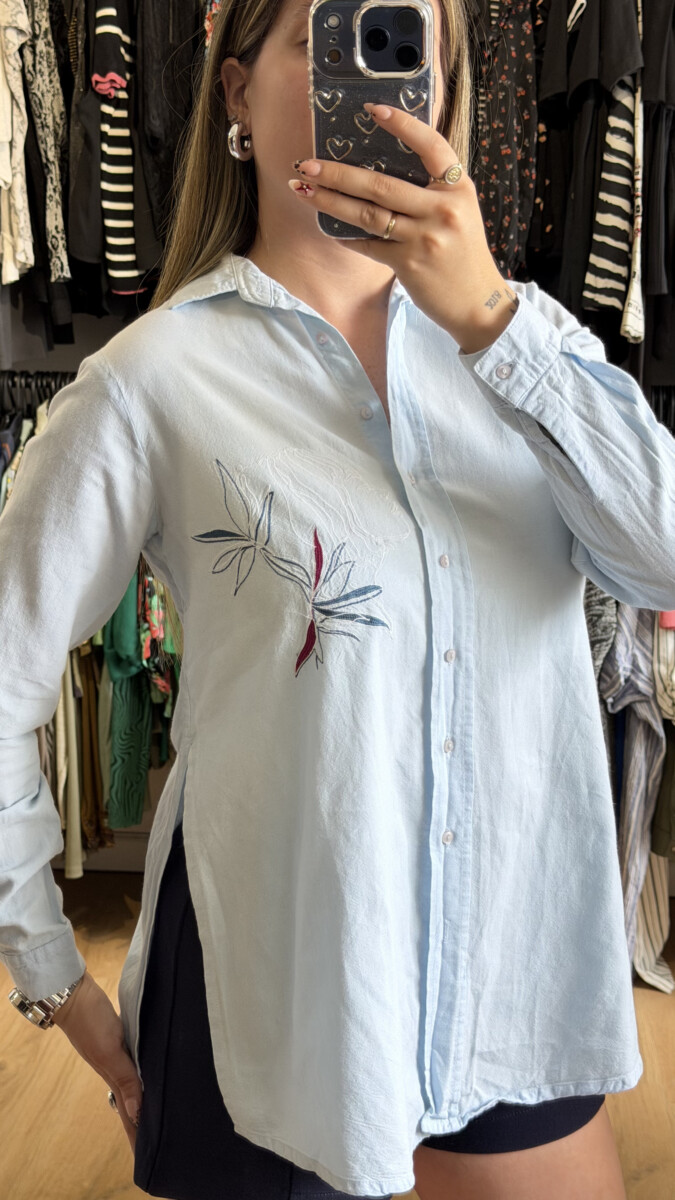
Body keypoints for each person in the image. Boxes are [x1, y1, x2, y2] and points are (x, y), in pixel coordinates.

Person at [2, 0, 674, 1197]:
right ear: (235, 93)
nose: (372, 81)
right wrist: (51, 970)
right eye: (329, 38)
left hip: (508, 964)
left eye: (407, 46)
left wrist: (493, 325)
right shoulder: (153, 379)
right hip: (273, 985)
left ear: (447, 98)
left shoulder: (534, 346)